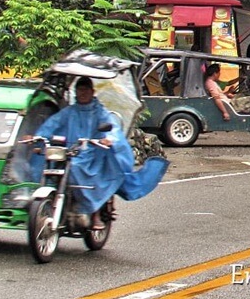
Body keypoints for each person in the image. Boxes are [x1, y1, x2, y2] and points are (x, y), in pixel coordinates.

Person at [32, 77, 167, 230]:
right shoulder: (69, 111)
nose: (81, 94)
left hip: (93, 154)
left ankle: (95, 214)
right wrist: (37, 136)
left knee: (81, 169)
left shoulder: (100, 112)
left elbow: (113, 128)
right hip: (70, 152)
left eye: (84, 90)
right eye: (79, 90)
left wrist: (109, 139)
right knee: (48, 163)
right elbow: (52, 124)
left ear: (92, 92)